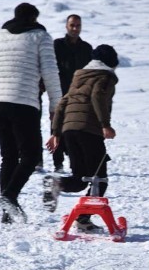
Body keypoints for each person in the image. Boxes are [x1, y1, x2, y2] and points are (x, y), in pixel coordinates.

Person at [0, 2, 62, 223]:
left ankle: (6, 214)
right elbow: (50, 73)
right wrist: (55, 108)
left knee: (8, 157)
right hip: (24, 102)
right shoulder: (40, 36)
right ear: (33, 18)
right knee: (30, 156)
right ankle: (9, 196)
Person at [43, 45, 119, 231]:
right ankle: (83, 219)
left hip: (70, 130)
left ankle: (57, 183)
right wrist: (104, 124)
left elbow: (62, 103)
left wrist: (56, 133)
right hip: (89, 130)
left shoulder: (80, 77)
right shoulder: (105, 77)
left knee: (81, 178)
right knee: (100, 178)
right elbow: (97, 96)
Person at [51, 14, 93, 173]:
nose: (75, 29)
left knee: (76, 128)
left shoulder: (86, 48)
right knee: (56, 127)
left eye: (78, 25)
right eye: (72, 25)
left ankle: (76, 161)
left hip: (79, 95)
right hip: (59, 92)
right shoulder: (57, 45)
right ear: (66, 26)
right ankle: (57, 162)